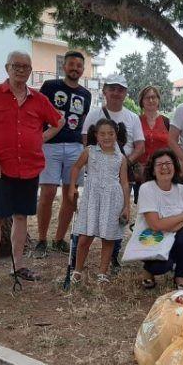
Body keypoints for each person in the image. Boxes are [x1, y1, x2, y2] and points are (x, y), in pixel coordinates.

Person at [0, 51, 64, 289]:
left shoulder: (38, 99)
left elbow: (59, 122)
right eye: (16, 65)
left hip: (29, 166)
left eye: (26, 67)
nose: (21, 70)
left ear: (30, 71)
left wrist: (39, 138)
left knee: (21, 217)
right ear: (7, 67)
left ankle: (18, 266)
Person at [81, 74, 145, 272]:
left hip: (121, 173)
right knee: (91, 216)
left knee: (117, 216)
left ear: (125, 93)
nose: (116, 93)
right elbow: (86, 142)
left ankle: (113, 258)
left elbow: (140, 146)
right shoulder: (94, 114)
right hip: (99, 175)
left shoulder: (132, 117)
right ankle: (78, 264)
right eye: (112, 88)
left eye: (120, 89)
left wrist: (124, 163)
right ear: (105, 91)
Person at [33, 50, 92, 258]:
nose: (75, 68)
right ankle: (41, 239)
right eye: (71, 64)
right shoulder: (50, 87)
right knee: (47, 194)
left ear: (83, 69)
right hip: (51, 145)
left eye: (79, 65)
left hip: (75, 147)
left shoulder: (86, 94)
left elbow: (83, 121)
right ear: (64, 66)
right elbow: (38, 113)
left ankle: (59, 239)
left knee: (71, 195)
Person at [67, 119, 130, 284]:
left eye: (110, 133)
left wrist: (126, 206)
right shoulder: (90, 151)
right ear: (96, 135)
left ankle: (102, 272)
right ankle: (78, 270)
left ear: (116, 135)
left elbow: (124, 183)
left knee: (108, 238)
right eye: (102, 133)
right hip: (92, 199)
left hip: (112, 200)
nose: (106, 137)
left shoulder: (121, 158)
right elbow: (75, 168)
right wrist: (72, 187)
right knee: (84, 238)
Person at [135, 149, 183, 290]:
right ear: (152, 170)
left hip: (175, 237)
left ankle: (180, 275)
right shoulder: (146, 189)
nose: (164, 167)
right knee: (162, 266)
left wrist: (174, 224)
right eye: (160, 164)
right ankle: (149, 270)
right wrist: (181, 218)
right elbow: (155, 225)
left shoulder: (182, 190)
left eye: (168, 163)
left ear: (175, 167)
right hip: (152, 238)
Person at [136, 86, 170, 204]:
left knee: (162, 205)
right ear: (142, 101)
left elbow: (172, 147)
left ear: (158, 100)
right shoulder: (136, 121)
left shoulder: (166, 122)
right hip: (141, 172)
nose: (151, 100)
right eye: (147, 97)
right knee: (144, 206)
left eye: (153, 97)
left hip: (162, 171)